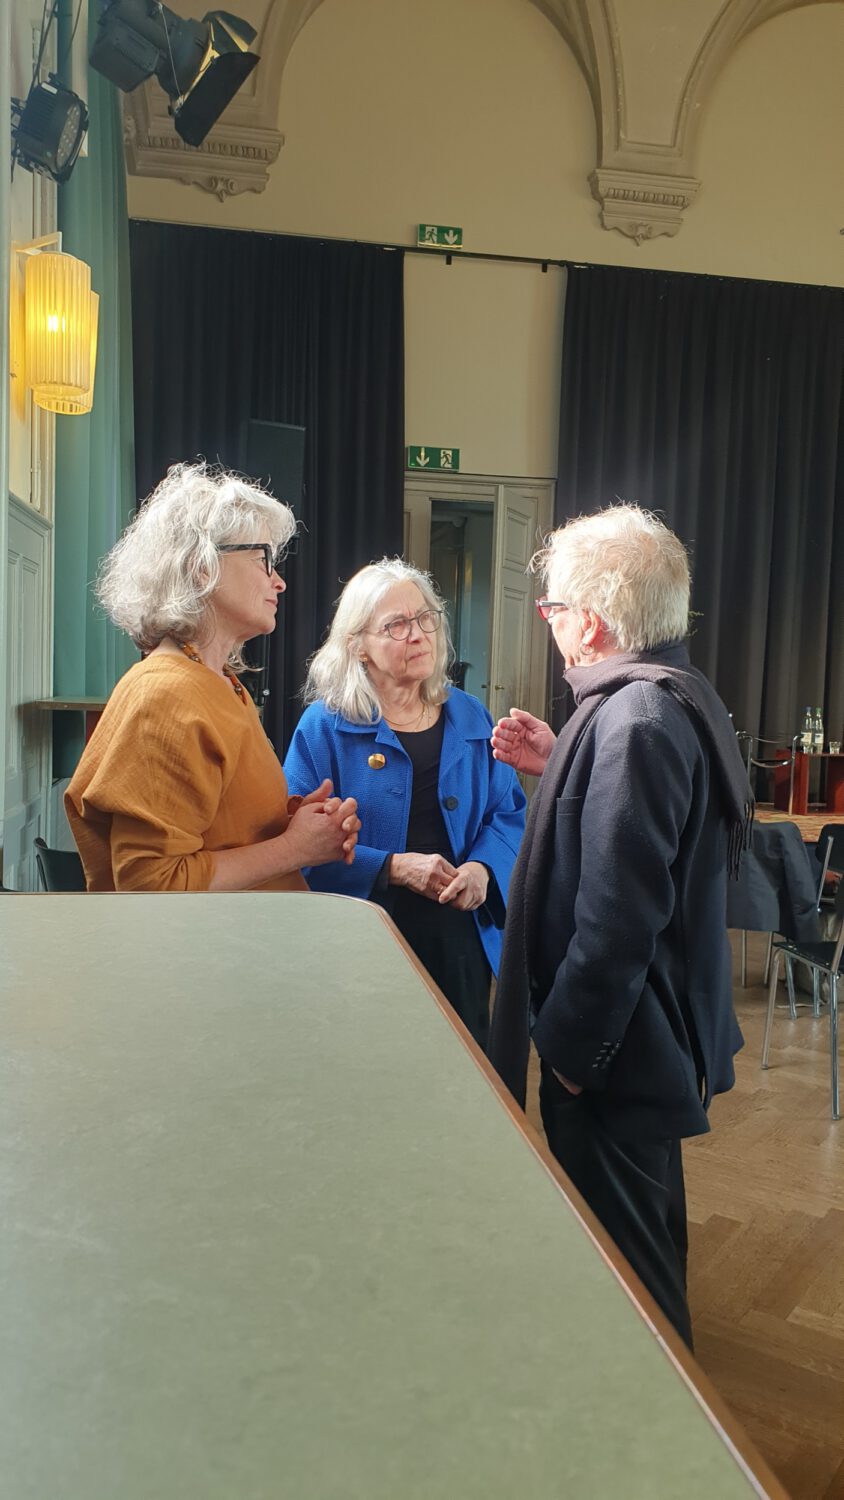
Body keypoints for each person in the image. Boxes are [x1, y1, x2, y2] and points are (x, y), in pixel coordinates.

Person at [488, 504, 751, 1348]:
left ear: (593, 623)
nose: (551, 622)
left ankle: (667, 1421)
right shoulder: (664, 696)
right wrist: (565, 757)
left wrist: (571, 1060)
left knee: (633, 1288)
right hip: (649, 1038)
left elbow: (616, 923)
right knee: (645, 1237)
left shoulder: (634, 721)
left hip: (617, 1054)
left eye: (554, 608)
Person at [65, 462, 360, 892]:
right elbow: (151, 887)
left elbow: (222, 829)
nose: (279, 582)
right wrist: (294, 849)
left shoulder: (220, 681)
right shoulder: (166, 696)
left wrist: (293, 824)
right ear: (202, 566)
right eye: (263, 559)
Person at [283, 558, 527, 1049]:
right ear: (359, 646)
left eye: (425, 618)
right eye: (396, 625)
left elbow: (507, 813)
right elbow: (295, 845)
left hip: (457, 938)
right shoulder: (323, 726)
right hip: (360, 939)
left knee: (462, 1066)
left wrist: (482, 869)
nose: (418, 635)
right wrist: (392, 868)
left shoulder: (470, 715)